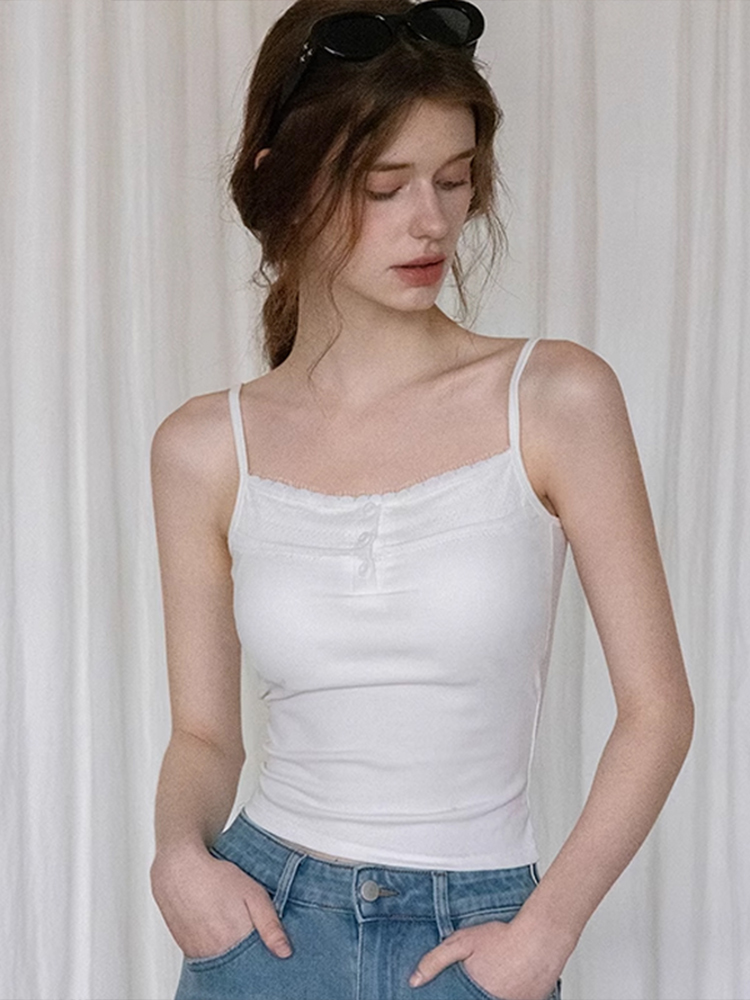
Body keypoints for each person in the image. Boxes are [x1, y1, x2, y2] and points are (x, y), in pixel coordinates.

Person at [148, 2, 695, 998]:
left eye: (453, 178)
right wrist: (179, 855)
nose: (432, 222)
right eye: (383, 186)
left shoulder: (556, 398)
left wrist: (543, 936)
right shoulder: (201, 447)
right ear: (282, 184)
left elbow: (657, 710)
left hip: (478, 939)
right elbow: (206, 736)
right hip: (263, 930)